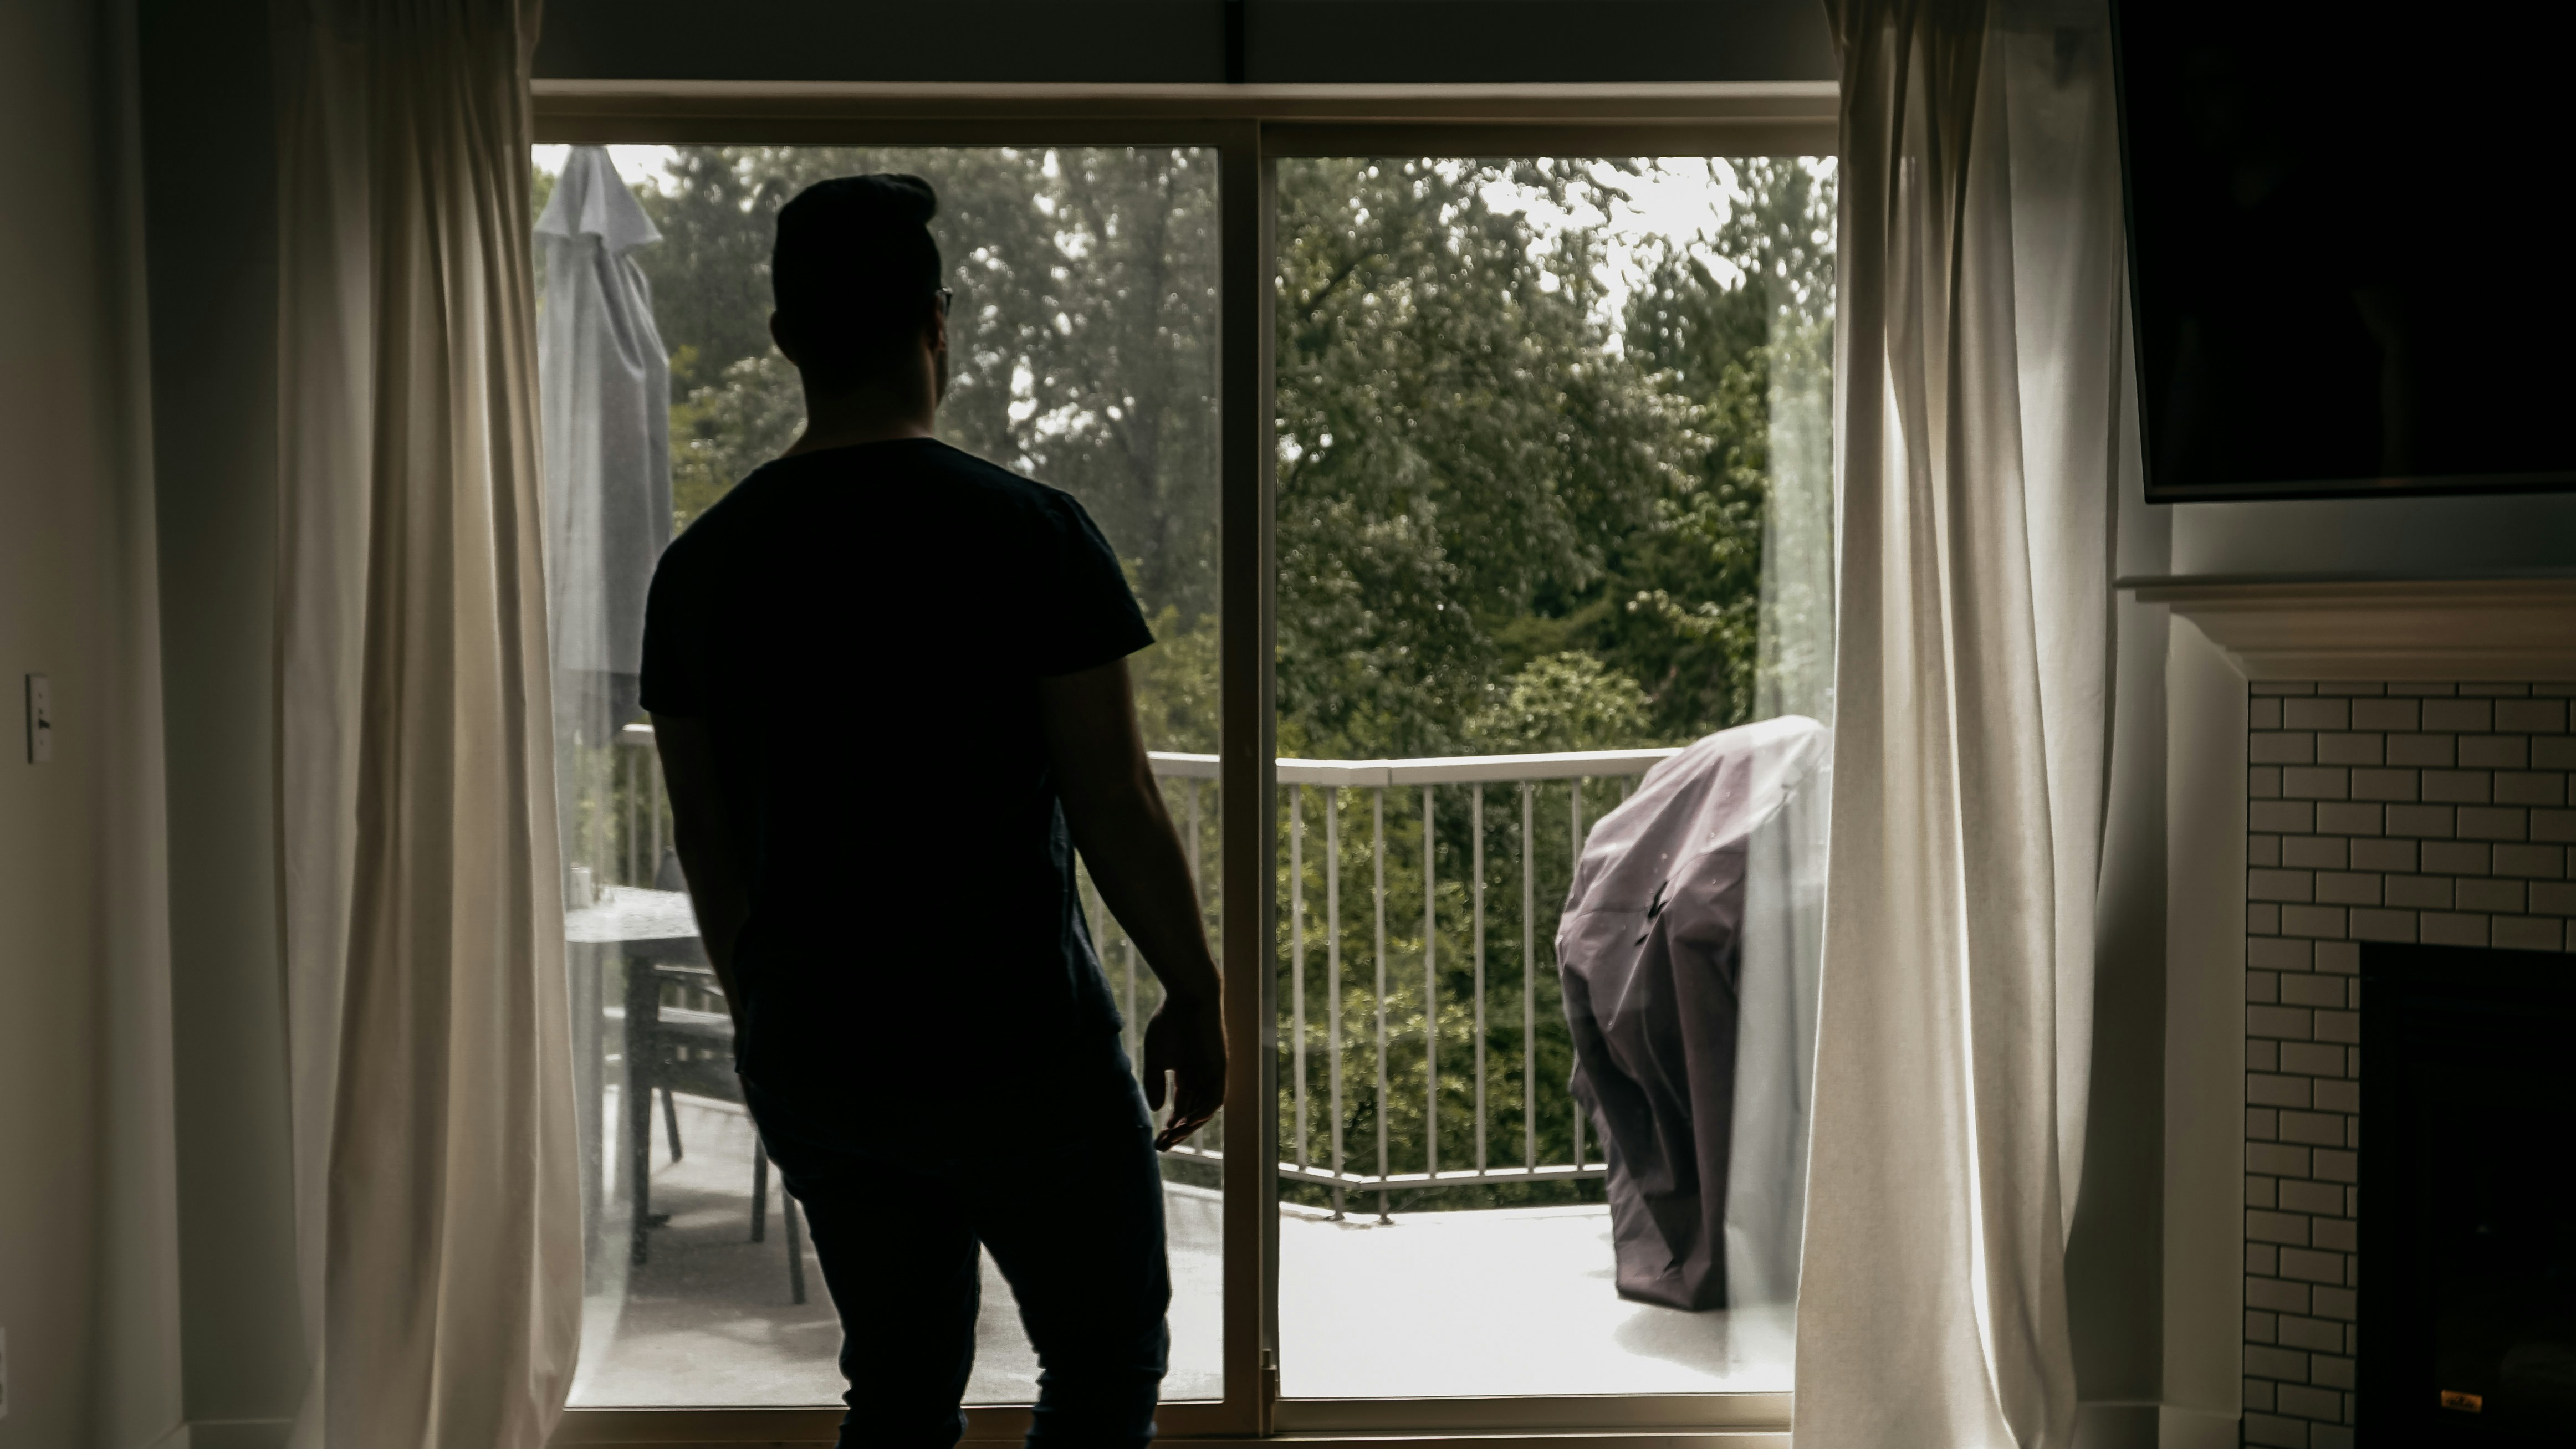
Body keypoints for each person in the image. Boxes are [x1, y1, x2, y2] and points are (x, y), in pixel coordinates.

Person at [640, 173, 1226, 1449]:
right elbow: (1114, 799)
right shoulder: (1031, 535)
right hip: (1020, 1040)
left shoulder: (699, 571)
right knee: (1103, 1360)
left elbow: (705, 831)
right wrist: (1194, 985)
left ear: (786, 336)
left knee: (899, 1384)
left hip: (823, 1048)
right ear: (938, 324)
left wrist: (765, 1008)